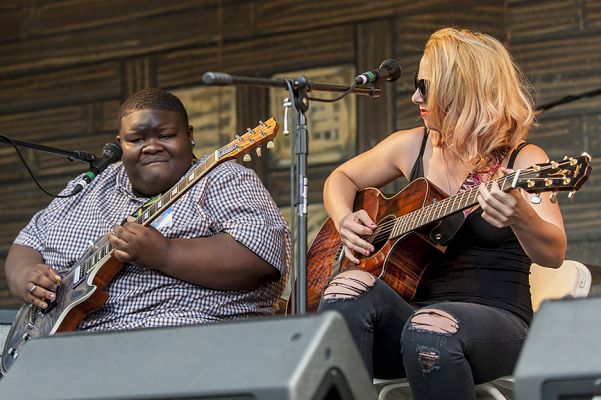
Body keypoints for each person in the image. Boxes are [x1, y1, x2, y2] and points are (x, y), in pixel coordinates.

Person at [318, 28, 566, 399]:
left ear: (462, 90)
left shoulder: (524, 160)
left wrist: (521, 218)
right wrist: (343, 219)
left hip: (494, 322)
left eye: (426, 86)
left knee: (429, 330)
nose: (416, 96)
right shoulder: (412, 145)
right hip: (410, 318)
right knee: (343, 292)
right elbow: (341, 177)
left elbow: (554, 252)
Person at [5, 88, 290, 331]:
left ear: (189, 135)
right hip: (67, 351)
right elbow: (28, 243)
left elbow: (261, 259)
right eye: (137, 140)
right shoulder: (90, 185)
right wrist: (27, 276)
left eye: (165, 135)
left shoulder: (222, 178)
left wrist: (165, 253)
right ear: (120, 144)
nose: (151, 147)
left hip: (183, 341)